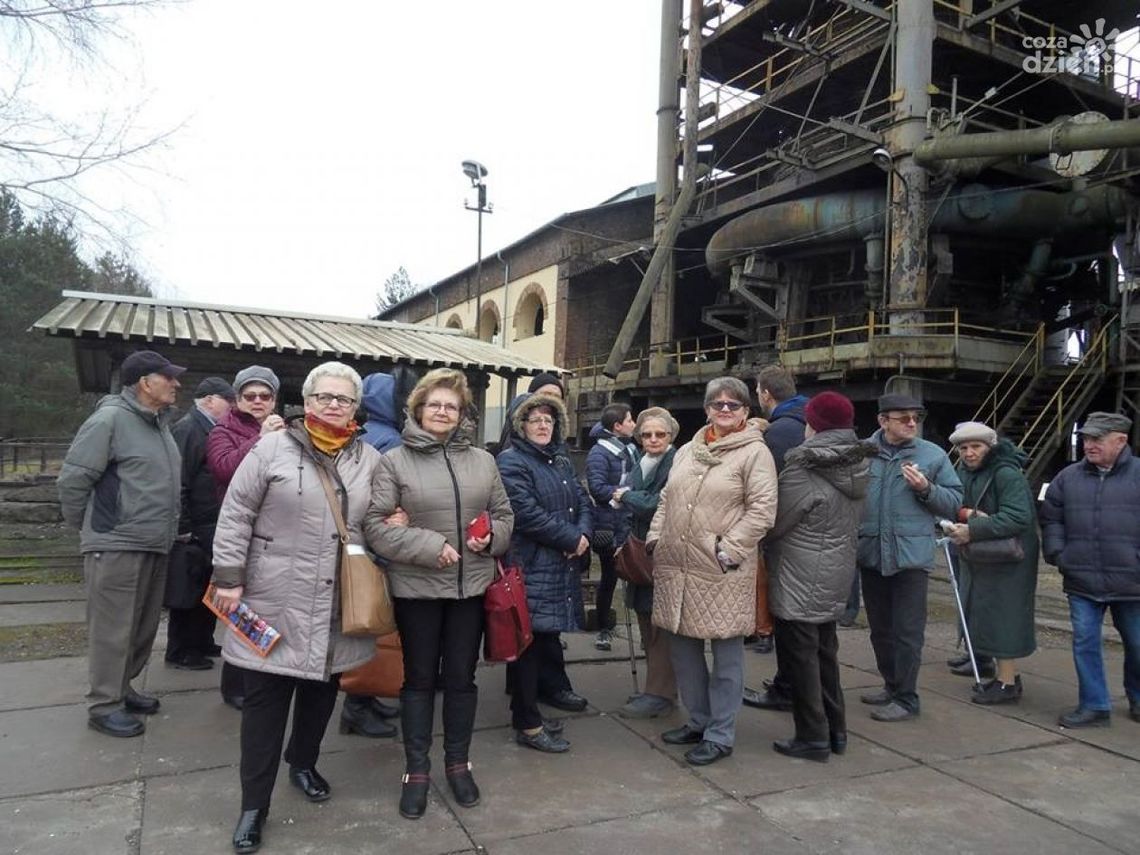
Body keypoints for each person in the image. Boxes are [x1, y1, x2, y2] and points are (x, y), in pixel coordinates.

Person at [211, 362, 379, 854]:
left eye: (344, 399)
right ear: (306, 403)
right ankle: (253, 805)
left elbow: (378, 516)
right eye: (325, 396)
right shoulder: (272, 447)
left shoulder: (368, 458)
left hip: (334, 600)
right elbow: (237, 511)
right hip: (270, 597)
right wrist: (229, 578)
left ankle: (303, 762)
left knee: (321, 691)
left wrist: (395, 517)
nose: (334, 405)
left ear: (355, 407)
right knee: (263, 704)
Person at [365, 368, 514, 819]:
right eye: (435, 405)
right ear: (418, 409)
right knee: (419, 681)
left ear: (461, 412)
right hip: (418, 590)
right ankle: (416, 770)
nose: (443, 412)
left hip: (471, 590)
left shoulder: (483, 461)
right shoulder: (395, 461)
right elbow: (375, 526)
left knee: (462, 681)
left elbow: (504, 514)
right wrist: (431, 546)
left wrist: (491, 541)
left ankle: (457, 762)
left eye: (451, 405)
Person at [648, 376, 778, 766]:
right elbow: (667, 498)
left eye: (733, 405)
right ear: (706, 409)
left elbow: (762, 510)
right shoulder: (688, 450)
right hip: (678, 567)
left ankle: (719, 733)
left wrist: (728, 550)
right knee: (684, 652)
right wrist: (656, 537)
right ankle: (699, 720)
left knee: (726, 657)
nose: (724, 410)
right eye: (717, 404)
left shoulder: (755, 453)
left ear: (745, 411)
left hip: (722, 571)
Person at [58, 349, 185, 738]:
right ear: (146, 383)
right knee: (113, 630)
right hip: (117, 544)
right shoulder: (110, 419)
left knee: (141, 627)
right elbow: (73, 480)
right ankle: (103, 704)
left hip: (153, 542)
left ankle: (123, 688)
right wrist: (94, 530)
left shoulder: (158, 424)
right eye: (169, 377)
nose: (177, 383)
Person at [766, 392, 874, 761]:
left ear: (813, 423)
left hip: (799, 572)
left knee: (801, 657)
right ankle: (836, 730)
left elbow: (777, 523)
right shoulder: (857, 464)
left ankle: (812, 736)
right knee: (825, 653)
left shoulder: (804, 466)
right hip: (836, 568)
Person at [497, 393, 594, 752]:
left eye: (548, 419)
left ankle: (527, 711)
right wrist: (571, 537)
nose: (542, 424)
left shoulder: (560, 460)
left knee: (538, 643)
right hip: (531, 565)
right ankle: (528, 724)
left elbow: (582, 500)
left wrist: (582, 535)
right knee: (527, 644)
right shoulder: (512, 461)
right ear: (520, 425)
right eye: (534, 418)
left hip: (558, 563)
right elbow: (524, 512)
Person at [858, 393, 962, 722]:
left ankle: (907, 697)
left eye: (916, 417)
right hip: (872, 553)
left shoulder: (932, 455)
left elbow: (954, 502)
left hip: (911, 557)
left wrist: (926, 489)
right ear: (883, 421)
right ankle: (891, 685)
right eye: (903, 417)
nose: (912, 423)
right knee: (880, 629)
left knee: (907, 631)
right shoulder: (863, 454)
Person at [1040, 411, 1140, 727]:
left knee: (1138, 644)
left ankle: (1138, 698)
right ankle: (1094, 705)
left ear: (1120, 440)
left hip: (1132, 581)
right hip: (1082, 579)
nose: (1088, 444)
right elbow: (1051, 517)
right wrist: (1058, 553)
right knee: (1085, 642)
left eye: (1097, 439)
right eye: (1086, 438)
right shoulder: (1067, 478)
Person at [206, 365, 286, 713]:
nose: (257, 401)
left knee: (263, 613)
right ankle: (234, 685)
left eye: (264, 396)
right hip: (238, 532)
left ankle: (258, 678)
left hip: (274, 532)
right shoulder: (222, 430)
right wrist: (261, 440)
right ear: (237, 399)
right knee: (238, 613)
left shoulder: (283, 428)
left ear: (274, 400)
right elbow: (223, 469)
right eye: (249, 396)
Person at [943, 421, 1038, 705]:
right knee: (981, 609)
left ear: (990, 447)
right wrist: (965, 513)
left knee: (1002, 616)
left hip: (1010, 558)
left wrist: (972, 528)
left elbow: (1019, 517)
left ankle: (1008, 683)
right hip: (986, 554)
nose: (969, 453)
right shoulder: (966, 470)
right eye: (963, 448)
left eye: (976, 447)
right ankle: (984, 661)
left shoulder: (1006, 474)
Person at [743, 365, 807, 706]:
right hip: (818, 542)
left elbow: (768, 490)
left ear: (765, 393)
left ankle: (787, 690)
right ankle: (797, 686)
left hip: (787, 539)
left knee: (787, 617)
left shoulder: (779, 433)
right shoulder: (807, 422)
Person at [166, 377, 236, 671]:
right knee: (189, 591)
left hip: (211, 524)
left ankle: (202, 640)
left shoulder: (210, 428)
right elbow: (178, 479)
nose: (232, 407)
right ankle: (180, 650)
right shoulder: (189, 429)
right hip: (194, 526)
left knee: (208, 587)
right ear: (209, 400)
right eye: (227, 401)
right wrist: (183, 527)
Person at [616, 407, 679, 719]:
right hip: (642, 551)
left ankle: (660, 693)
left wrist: (626, 496)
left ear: (670, 436)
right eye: (647, 434)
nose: (653, 439)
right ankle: (655, 688)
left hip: (663, 551)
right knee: (646, 618)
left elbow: (657, 505)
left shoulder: (676, 462)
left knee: (660, 625)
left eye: (660, 434)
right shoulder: (642, 461)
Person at [586, 402, 637, 651]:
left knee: (637, 571)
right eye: (630, 420)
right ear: (618, 426)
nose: (634, 424)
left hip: (629, 520)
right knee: (609, 577)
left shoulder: (630, 448)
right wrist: (624, 494)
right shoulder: (599, 453)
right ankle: (604, 628)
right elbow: (596, 487)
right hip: (608, 523)